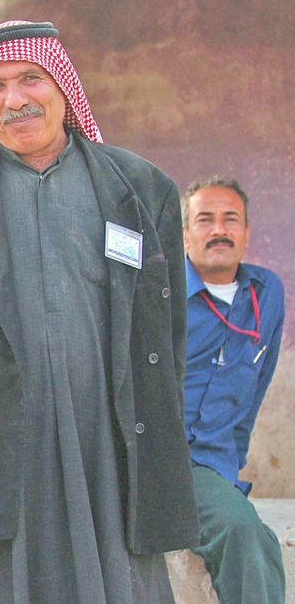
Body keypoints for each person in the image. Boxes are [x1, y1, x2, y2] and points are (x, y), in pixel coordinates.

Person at [0, 20, 200, 602]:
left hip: (111, 445)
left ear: (63, 86)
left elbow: (166, 339)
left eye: (30, 78)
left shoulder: (143, 189)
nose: (14, 99)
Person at [181, 175, 286, 603]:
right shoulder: (159, 294)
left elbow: (252, 399)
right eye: (204, 219)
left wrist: (227, 471)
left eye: (230, 219)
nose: (219, 229)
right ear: (185, 234)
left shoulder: (267, 294)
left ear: (246, 234)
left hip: (215, 468)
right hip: (161, 464)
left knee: (249, 532)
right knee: (244, 533)